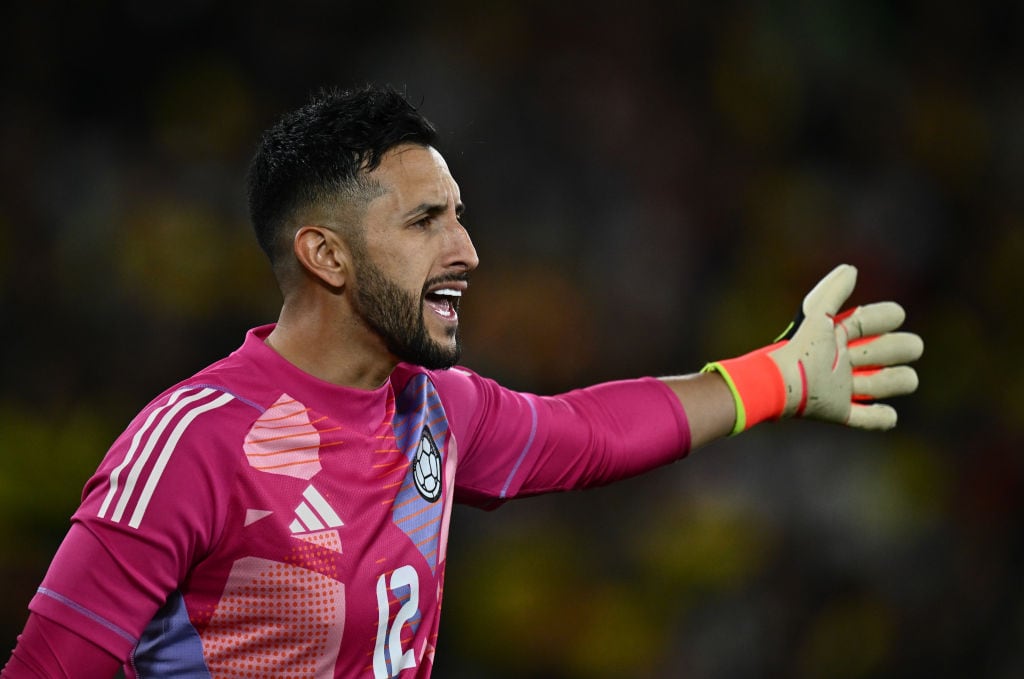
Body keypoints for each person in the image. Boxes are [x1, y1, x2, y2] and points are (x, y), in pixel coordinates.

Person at [2, 84, 923, 678]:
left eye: (462, 217)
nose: (469, 251)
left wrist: (780, 374)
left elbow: (591, 432)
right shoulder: (196, 443)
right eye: (426, 222)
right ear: (325, 254)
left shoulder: (438, 410)